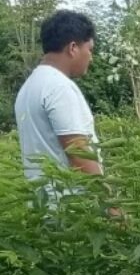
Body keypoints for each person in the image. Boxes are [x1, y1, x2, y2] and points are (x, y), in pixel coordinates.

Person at [15, 10, 100, 181]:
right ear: (73, 48)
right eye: (89, 50)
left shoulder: (29, 86)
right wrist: (110, 202)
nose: (91, 57)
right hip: (70, 202)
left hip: (41, 199)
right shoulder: (59, 87)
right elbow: (77, 150)